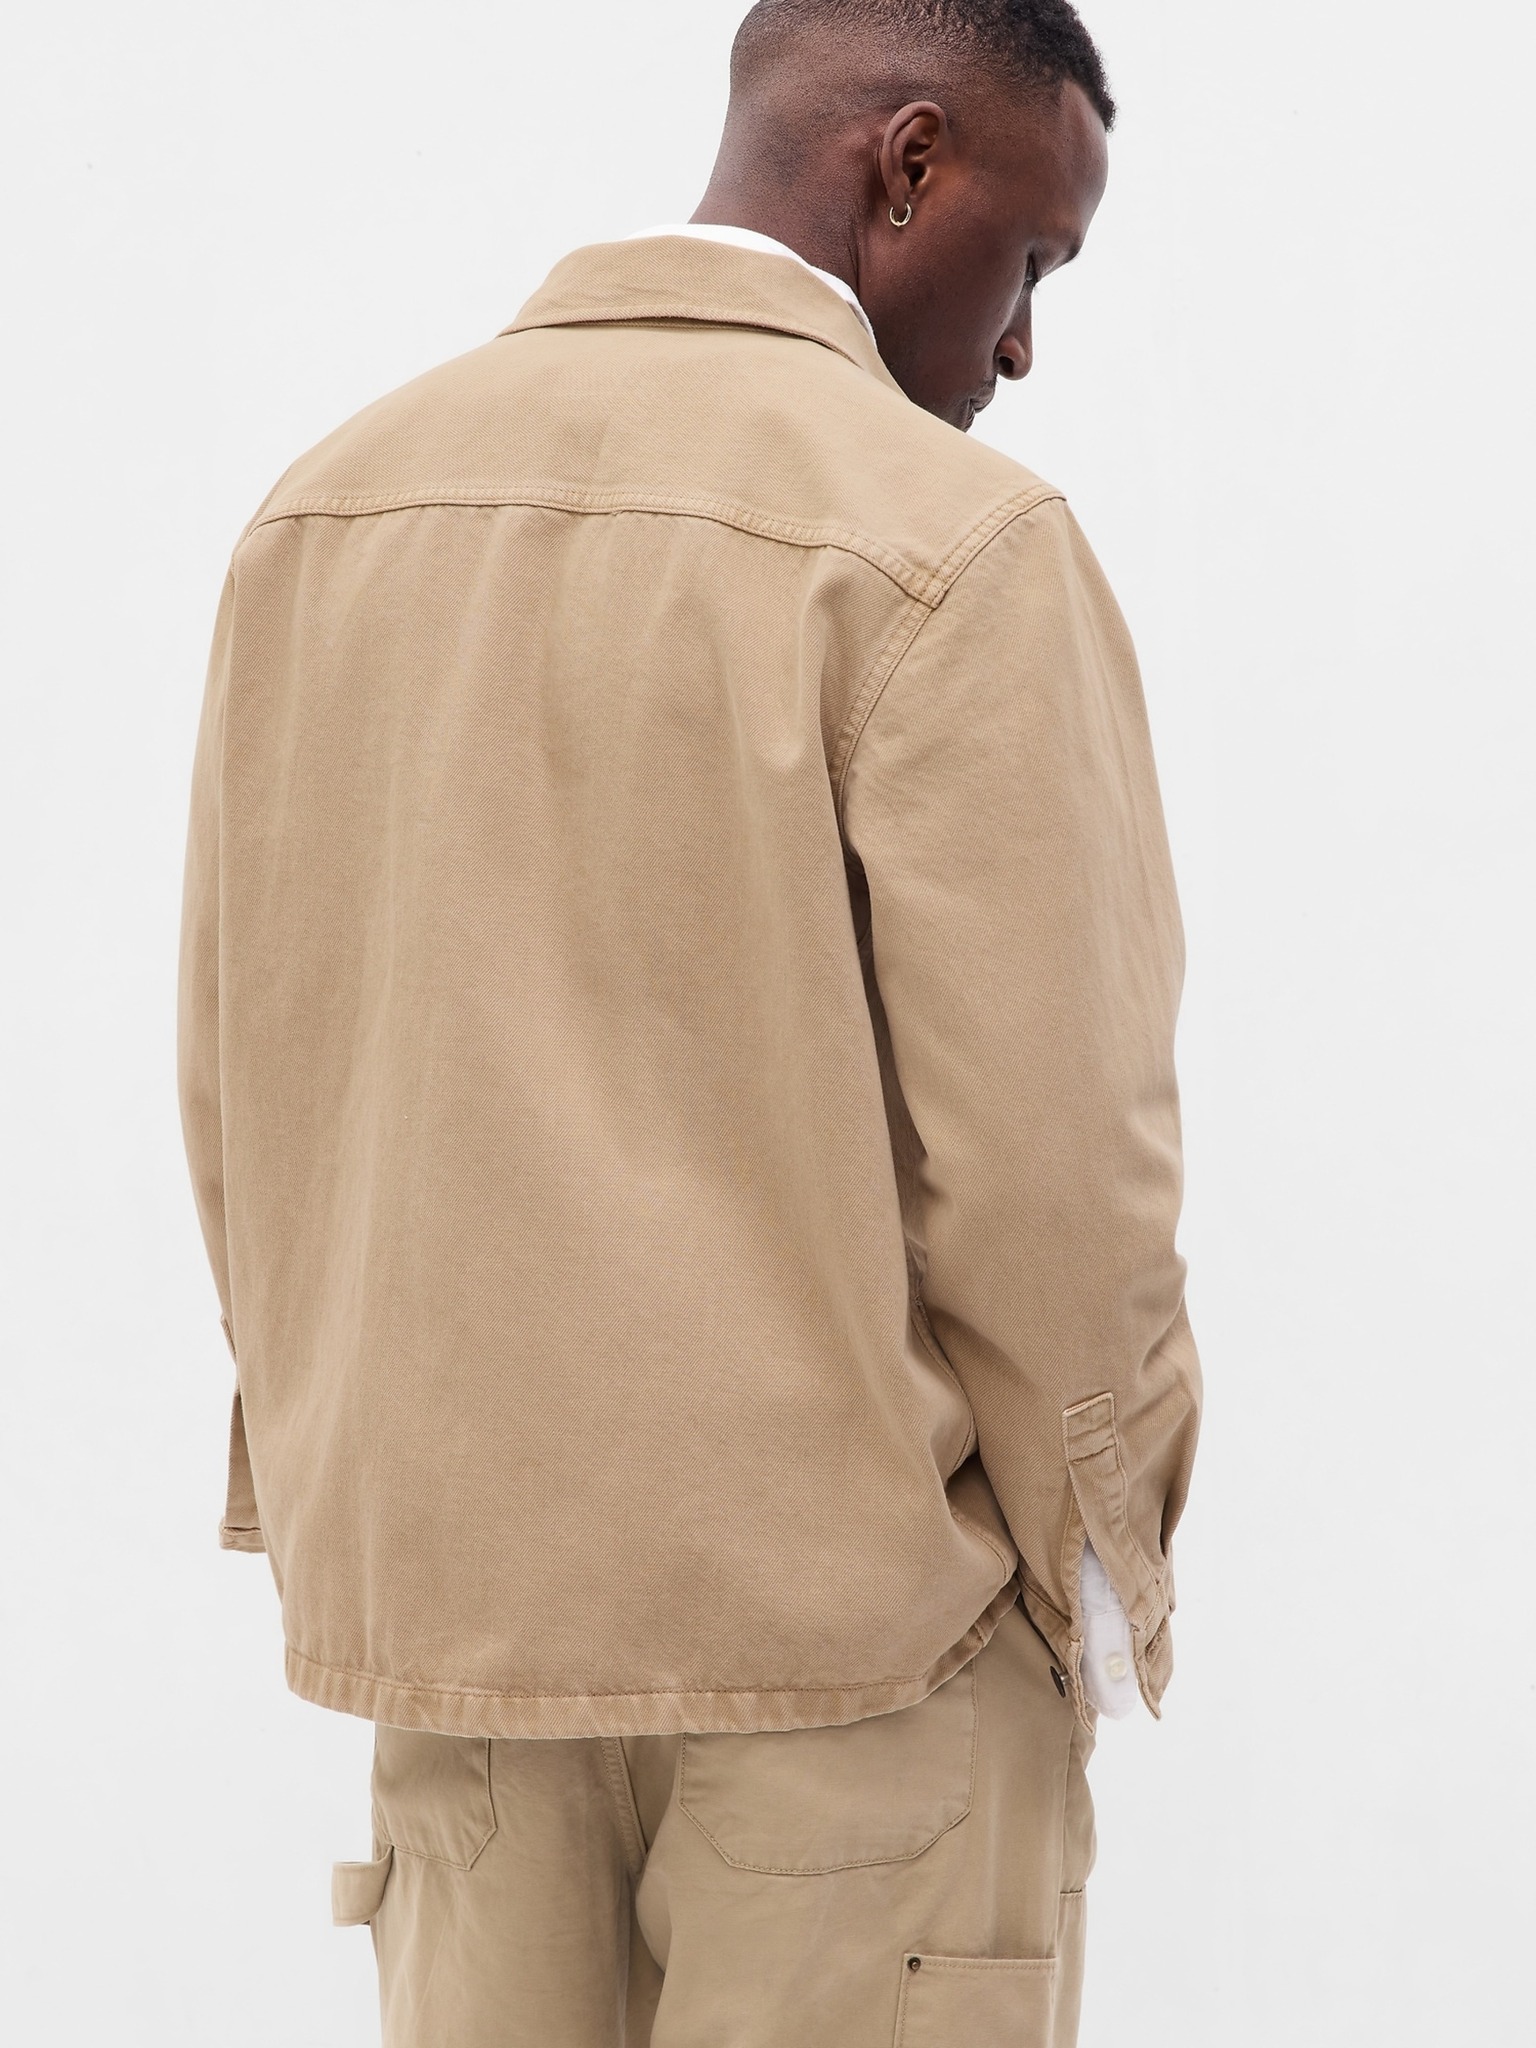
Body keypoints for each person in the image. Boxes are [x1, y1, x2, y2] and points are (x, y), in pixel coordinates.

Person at [176, 1, 1202, 2040]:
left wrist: (358, 1509)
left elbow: (248, 1083)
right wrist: (1098, 1579)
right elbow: (1059, 1172)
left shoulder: (323, 515)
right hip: (863, 1683)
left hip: (460, 1674)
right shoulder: (951, 544)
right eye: (1032, 256)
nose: (1021, 346)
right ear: (908, 162)